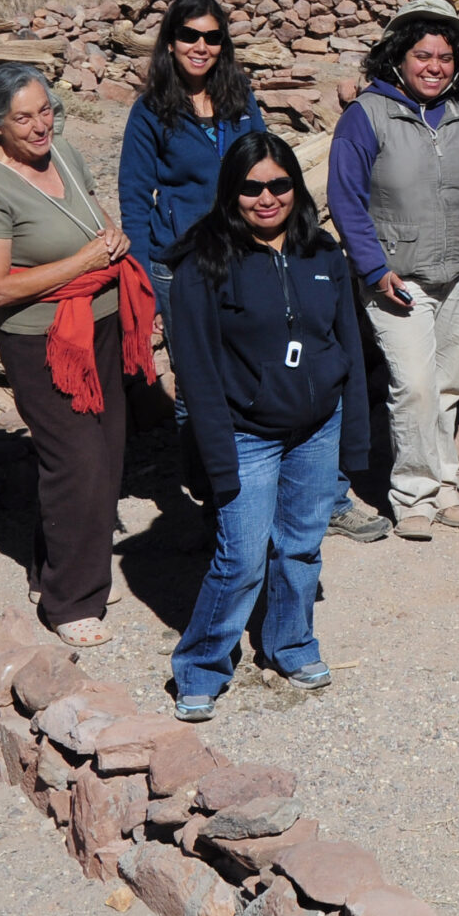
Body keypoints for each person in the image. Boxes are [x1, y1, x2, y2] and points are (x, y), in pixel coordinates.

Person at [165, 133, 369, 721]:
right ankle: (201, 666)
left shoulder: (322, 253)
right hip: (246, 432)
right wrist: (215, 458)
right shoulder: (203, 263)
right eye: (251, 187)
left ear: (295, 188)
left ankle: (290, 643)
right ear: (231, 193)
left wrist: (352, 433)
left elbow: (347, 345)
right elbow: (197, 373)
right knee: (242, 556)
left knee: (302, 546)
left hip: (316, 426)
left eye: (279, 184)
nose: (266, 198)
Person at [0, 63, 156, 648]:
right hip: (42, 337)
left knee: (108, 449)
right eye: (23, 117)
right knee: (76, 460)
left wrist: (114, 238)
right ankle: (72, 600)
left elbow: (89, 222)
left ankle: (57, 569)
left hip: (99, 321)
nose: (41, 124)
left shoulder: (64, 152)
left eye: (45, 109)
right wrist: (88, 262)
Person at [328, 0, 459, 541]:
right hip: (397, 278)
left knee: (447, 387)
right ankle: (412, 493)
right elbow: (345, 198)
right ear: (397, 59)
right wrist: (372, 267)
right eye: (422, 55)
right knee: (413, 385)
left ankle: (445, 483)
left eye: (445, 57)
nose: (434, 66)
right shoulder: (367, 115)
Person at [118, 0, 265, 424]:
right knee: (196, 374)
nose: (201, 47)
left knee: (250, 359)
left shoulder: (239, 97)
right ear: (170, 42)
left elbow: (267, 163)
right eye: (189, 35)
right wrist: (144, 285)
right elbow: (135, 198)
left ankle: (248, 460)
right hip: (181, 264)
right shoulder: (150, 112)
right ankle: (203, 472)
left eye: (212, 38)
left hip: (245, 252)